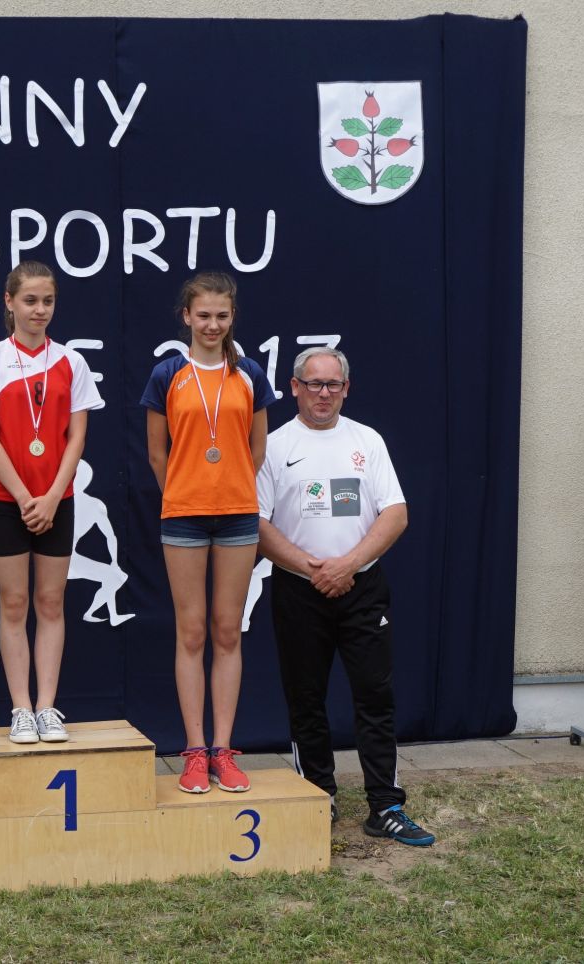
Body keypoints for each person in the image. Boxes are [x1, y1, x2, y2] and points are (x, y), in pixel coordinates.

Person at [256, 346, 434, 845]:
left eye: (333, 384)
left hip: (361, 588)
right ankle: (319, 796)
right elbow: (258, 522)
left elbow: (395, 513)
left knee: (375, 696)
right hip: (299, 589)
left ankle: (386, 806)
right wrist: (312, 568)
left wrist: (347, 565)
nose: (323, 393)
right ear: (295, 387)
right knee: (306, 699)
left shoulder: (367, 441)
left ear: (346, 389)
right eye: (313, 383)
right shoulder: (273, 446)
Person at [0, 261, 104, 744]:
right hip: (8, 501)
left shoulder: (72, 362)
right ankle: (20, 707)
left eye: (47, 301)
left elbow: (76, 437)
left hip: (58, 500)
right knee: (15, 602)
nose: (39, 310)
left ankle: (47, 707)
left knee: (51, 601)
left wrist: (52, 495)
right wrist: (24, 497)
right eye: (30, 301)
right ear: (9, 302)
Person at [140, 271, 275, 794]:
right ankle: (194, 750)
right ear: (186, 317)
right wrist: (183, 492)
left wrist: (230, 484)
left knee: (227, 631)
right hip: (184, 515)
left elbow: (257, 448)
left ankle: (223, 749)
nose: (212, 324)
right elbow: (157, 453)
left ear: (232, 316)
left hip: (239, 514)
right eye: (203, 316)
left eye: (221, 315)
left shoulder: (250, 374)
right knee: (191, 632)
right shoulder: (167, 374)